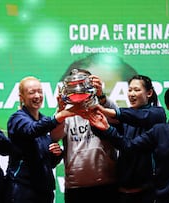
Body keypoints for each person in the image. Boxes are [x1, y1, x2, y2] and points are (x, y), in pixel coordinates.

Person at [90, 75, 166, 203]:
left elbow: (137, 121)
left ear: (149, 93)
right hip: (123, 191)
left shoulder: (157, 114)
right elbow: (107, 133)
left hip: (148, 192)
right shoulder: (125, 117)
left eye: (136, 90)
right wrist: (91, 116)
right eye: (130, 90)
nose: (132, 94)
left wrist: (106, 112)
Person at [50, 65, 119, 203]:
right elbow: (54, 136)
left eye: (82, 84)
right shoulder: (64, 112)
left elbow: (117, 120)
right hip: (76, 187)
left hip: (107, 183)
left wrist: (101, 97)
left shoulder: (103, 106)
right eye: (74, 85)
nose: (78, 89)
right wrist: (61, 111)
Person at [5, 76, 76, 203]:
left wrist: (56, 153)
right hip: (22, 189)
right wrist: (59, 116)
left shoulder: (44, 120)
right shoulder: (17, 119)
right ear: (21, 97)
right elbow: (32, 130)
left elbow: (49, 162)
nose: (37, 96)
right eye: (32, 92)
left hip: (44, 191)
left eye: (40, 91)